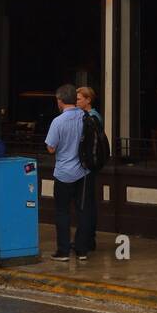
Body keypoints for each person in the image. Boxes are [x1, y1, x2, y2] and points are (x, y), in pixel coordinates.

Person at [45, 83, 91, 261]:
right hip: (83, 171)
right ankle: (82, 250)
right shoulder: (86, 117)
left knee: (62, 212)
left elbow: (50, 148)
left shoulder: (58, 122)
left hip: (64, 172)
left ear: (60, 101)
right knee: (82, 211)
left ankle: (63, 251)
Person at [76, 86, 102, 253]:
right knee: (88, 203)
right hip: (90, 166)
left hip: (87, 167)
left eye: (79, 99)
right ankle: (88, 238)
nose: (76, 101)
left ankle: (85, 240)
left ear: (88, 100)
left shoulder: (91, 118)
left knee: (86, 204)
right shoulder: (91, 117)